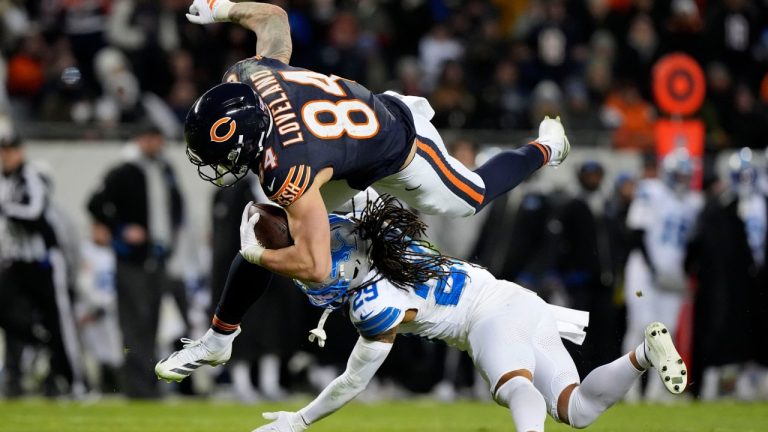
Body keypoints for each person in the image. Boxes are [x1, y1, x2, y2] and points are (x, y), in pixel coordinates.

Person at [172, 0, 570, 371]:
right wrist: (222, 8)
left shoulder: (287, 166)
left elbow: (315, 266)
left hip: (398, 144)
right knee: (272, 228)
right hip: (339, 154)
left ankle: (547, 147)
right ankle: (220, 337)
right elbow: (274, 18)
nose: (219, 165)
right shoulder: (248, 77)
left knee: (470, 195)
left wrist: (256, 256)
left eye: (220, 155)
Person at [164, 196, 687, 432]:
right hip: (516, 298)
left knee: (513, 386)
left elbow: (352, 381)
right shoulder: (353, 222)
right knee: (576, 411)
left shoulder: (372, 302)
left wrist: (300, 421)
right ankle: (643, 354)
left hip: (487, 316)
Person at [87, 124, 184, 398]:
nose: (155, 144)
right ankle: (136, 386)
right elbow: (95, 203)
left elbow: (178, 206)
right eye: (150, 138)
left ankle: (150, 383)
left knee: (154, 322)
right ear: (140, 139)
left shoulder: (164, 171)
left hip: (158, 256)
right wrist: (121, 230)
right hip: (132, 261)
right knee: (134, 322)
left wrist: (173, 236)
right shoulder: (125, 171)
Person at [0, 133, 84, 397]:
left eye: (11, 150)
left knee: (60, 324)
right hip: (17, 261)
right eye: (3, 151)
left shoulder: (31, 177)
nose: (7, 156)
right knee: (4, 309)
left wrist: (6, 208)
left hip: (45, 262)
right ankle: (39, 339)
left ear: (20, 152)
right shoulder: (6, 181)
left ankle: (76, 383)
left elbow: (34, 213)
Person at [622, 148, 702, 402]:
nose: (681, 180)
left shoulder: (692, 202)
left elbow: (691, 245)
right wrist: (654, 269)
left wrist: (683, 274)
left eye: (685, 176)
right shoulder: (650, 191)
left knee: (667, 333)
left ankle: (658, 391)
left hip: (672, 275)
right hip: (644, 271)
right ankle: (629, 389)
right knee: (640, 328)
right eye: (678, 175)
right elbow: (636, 233)